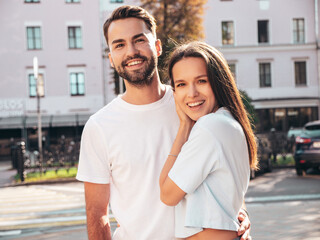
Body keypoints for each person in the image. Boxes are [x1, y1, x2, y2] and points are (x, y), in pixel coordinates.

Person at [76, 5, 252, 240]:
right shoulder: (99, 126)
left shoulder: (193, 103)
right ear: (111, 58)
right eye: (119, 45)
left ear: (157, 47)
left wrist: (239, 215)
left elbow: (224, 172)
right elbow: (96, 213)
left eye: (139, 40)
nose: (131, 51)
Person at [159, 41, 258, 240]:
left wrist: (184, 127)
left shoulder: (209, 127)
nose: (192, 93)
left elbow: (167, 194)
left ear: (219, 81)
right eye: (181, 84)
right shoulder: (229, 122)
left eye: (202, 81)